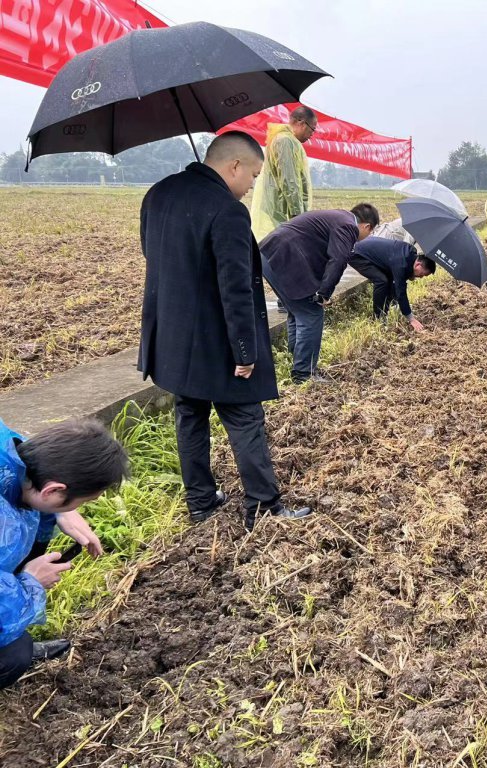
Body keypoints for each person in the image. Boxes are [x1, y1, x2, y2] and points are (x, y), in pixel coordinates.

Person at [139, 132, 311, 532]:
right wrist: (245, 352)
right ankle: (264, 505)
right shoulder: (227, 210)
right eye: (253, 175)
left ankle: (200, 502)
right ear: (234, 166)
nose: (251, 186)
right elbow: (236, 288)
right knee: (244, 416)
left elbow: (155, 255)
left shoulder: (158, 194)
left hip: (172, 336)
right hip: (217, 340)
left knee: (190, 415)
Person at [0, 417, 129, 689]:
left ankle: (13, 629)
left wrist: (62, 511)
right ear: (53, 489)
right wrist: (30, 584)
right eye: (81, 502)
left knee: (39, 521)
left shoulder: (13, 452)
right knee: (16, 654)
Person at [260, 205, 379, 383]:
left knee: (298, 311)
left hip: (270, 254)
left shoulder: (339, 217)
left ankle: (299, 362)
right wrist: (324, 293)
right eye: (371, 232)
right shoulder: (348, 226)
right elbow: (338, 259)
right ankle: (304, 374)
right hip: (284, 256)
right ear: (367, 226)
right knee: (311, 313)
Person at [250, 106, 317, 242]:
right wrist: (298, 218)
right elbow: (289, 181)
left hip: (280, 211)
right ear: (301, 123)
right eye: (312, 129)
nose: (312, 135)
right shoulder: (285, 141)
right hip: (280, 211)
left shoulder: (284, 139)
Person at [348, 237, 436, 330]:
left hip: (368, 250)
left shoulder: (410, 254)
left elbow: (397, 282)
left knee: (390, 282)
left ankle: (386, 312)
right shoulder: (401, 263)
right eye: (422, 274)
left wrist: (410, 275)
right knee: (382, 281)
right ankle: (378, 318)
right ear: (418, 264)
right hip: (358, 254)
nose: (421, 277)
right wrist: (411, 319)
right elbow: (401, 291)